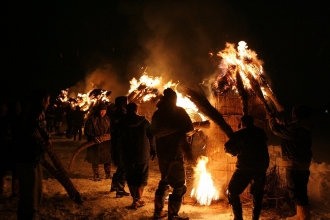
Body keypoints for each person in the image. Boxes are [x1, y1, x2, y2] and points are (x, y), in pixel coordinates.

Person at [151, 88, 194, 220]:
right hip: (175, 153)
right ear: (174, 99)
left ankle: (158, 212)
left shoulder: (157, 114)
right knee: (179, 185)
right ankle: (173, 214)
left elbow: (153, 132)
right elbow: (190, 129)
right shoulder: (179, 112)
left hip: (162, 154)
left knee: (164, 181)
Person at [268, 105, 312, 220]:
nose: (292, 115)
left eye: (293, 113)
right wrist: (278, 119)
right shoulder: (304, 125)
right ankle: (301, 215)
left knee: (295, 191)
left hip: (294, 163)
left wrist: (271, 120)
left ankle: (304, 217)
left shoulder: (295, 129)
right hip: (302, 163)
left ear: (296, 115)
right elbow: (287, 124)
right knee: (301, 190)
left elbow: (276, 130)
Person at [225, 115, 269, 220]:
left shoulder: (240, 134)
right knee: (258, 194)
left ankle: (238, 218)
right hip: (260, 168)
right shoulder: (261, 132)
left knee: (232, 191)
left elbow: (228, 148)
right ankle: (255, 218)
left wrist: (235, 150)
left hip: (244, 169)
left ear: (242, 123)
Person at [16, 89, 51, 219]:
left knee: (31, 192)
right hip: (29, 157)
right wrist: (45, 140)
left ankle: (27, 214)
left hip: (30, 157)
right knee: (31, 192)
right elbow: (36, 131)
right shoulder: (36, 113)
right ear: (42, 101)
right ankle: (28, 215)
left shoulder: (28, 112)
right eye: (48, 100)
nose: (49, 103)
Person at [118, 102, 156, 209]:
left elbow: (117, 138)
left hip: (127, 155)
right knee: (141, 178)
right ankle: (137, 200)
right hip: (142, 155)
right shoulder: (144, 122)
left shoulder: (121, 122)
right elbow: (151, 136)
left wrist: (117, 153)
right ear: (136, 109)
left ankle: (135, 200)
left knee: (131, 177)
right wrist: (153, 149)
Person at [84, 102, 112, 181]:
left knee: (107, 158)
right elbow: (87, 130)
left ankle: (108, 174)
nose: (103, 113)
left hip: (106, 143)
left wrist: (109, 135)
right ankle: (96, 175)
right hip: (95, 143)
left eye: (104, 111)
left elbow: (110, 129)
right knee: (95, 159)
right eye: (101, 111)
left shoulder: (107, 119)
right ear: (98, 111)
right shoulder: (92, 119)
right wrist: (93, 137)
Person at [109, 96, 130, 198]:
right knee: (125, 167)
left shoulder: (114, 113)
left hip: (116, 143)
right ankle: (120, 189)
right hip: (122, 143)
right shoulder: (122, 115)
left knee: (121, 166)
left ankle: (114, 185)